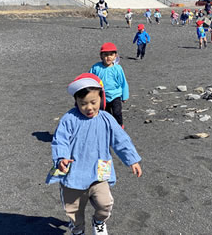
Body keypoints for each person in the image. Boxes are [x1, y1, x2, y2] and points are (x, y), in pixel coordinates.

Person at [46, 73, 142, 235]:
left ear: (101, 99)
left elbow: (121, 140)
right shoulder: (69, 119)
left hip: (99, 171)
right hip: (74, 173)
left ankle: (98, 221)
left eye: (93, 102)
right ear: (76, 101)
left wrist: (132, 160)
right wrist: (61, 158)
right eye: (83, 103)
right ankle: (77, 229)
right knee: (73, 210)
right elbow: (60, 140)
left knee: (105, 204)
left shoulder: (107, 119)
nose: (89, 107)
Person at [89, 43, 129, 128]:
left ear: (115, 56)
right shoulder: (96, 68)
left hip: (115, 95)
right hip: (102, 96)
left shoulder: (117, 68)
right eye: (106, 55)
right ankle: (109, 127)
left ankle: (119, 126)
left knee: (117, 112)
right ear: (101, 56)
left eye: (111, 54)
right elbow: (90, 80)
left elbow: (123, 82)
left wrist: (125, 96)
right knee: (106, 113)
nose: (108, 57)